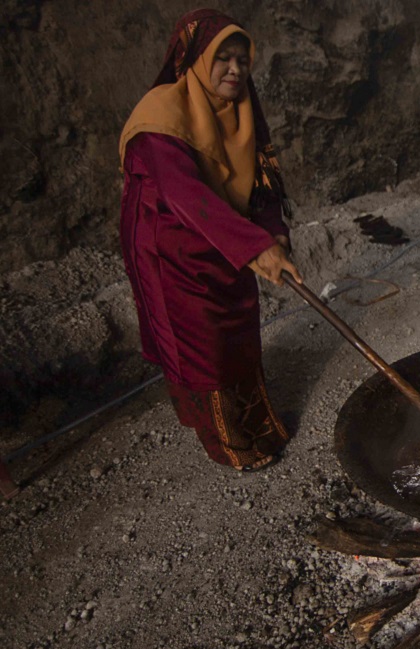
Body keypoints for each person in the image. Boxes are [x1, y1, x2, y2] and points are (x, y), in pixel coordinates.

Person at [119, 9, 303, 471]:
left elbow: (261, 180)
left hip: (226, 238)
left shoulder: (242, 108)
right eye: (223, 59)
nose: (235, 70)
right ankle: (225, 440)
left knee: (238, 327)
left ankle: (258, 422)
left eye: (242, 60)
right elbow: (186, 195)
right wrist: (257, 248)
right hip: (171, 244)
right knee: (202, 337)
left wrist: (273, 233)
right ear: (197, 60)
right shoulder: (160, 115)